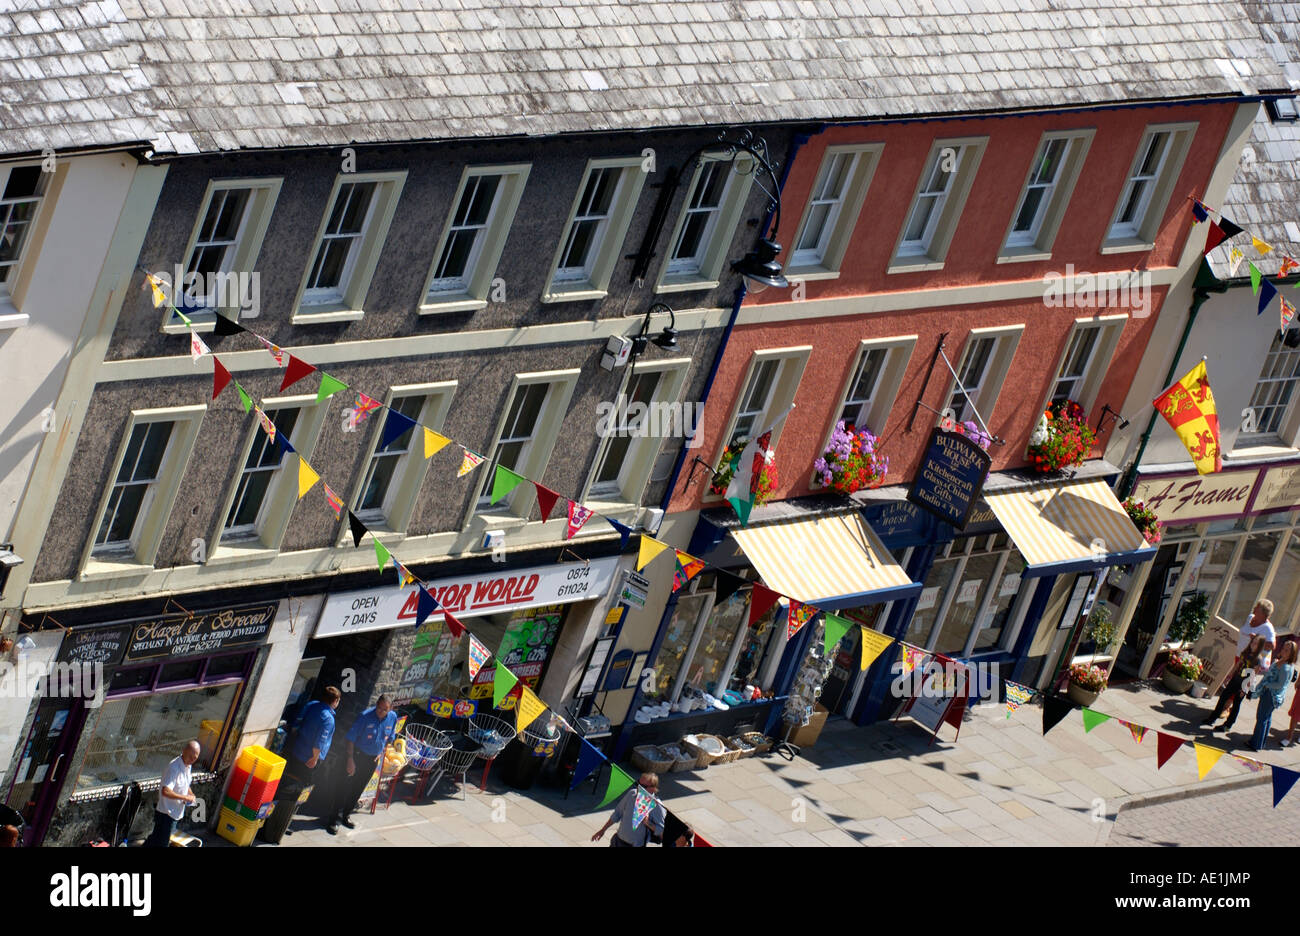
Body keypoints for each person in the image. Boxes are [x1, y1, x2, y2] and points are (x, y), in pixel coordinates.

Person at [325, 695, 397, 835]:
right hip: (357, 756)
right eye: (379, 708)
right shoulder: (365, 717)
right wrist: (350, 759)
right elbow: (350, 739)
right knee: (344, 787)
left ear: (390, 709)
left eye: (385, 710)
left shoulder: (392, 717)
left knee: (358, 788)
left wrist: (382, 751)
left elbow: (390, 737)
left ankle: (346, 815)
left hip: (372, 760)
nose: (381, 711)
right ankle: (333, 820)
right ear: (376, 704)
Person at [1203, 634, 1266, 733]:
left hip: (1243, 684)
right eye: (1253, 642)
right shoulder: (1246, 652)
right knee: (1223, 697)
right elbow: (1237, 665)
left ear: (1260, 646)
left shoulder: (1258, 659)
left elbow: (1253, 676)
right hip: (1235, 679)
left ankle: (1228, 725)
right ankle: (1212, 718)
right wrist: (1229, 676)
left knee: (1236, 704)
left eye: (1256, 644)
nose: (1253, 645)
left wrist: (1245, 689)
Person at [143, 740, 200, 847]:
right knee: (161, 843)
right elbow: (166, 791)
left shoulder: (187, 766)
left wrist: (191, 794)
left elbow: (185, 784)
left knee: (155, 839)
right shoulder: (174, 768)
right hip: (166, 813)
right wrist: (184, 797)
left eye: (195, 758)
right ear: (184, 751)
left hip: (175, 813)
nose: (192, 760)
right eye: (190, 756)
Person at [591, 772, 665, 847]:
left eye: (643, 786)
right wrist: (603, 830)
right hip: (617, 841)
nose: (638, 787)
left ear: (653, 788)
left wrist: (647, 823)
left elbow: (663, 832)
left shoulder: (656, 805)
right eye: (638, 783)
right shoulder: (632, 794)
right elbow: (617, 813)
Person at [286, 686, 341, 785]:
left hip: (296, 749)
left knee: (289, 778)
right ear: (335, 701)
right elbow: (320, 742)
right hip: (309, 758)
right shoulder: (328, 719)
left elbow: (297, 722)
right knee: (301, 785)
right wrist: (315, 758)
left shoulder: (312, 704)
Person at [1249, 640, 1297, 752]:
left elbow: (1280, 684)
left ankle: (1256, 743)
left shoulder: (1286, 667)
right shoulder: (1281, 662)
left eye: (1287, 650)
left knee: (1262, 718)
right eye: (1283, 648)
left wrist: (1266, 685)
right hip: (1270, 694)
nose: (1283, 651)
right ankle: (1260, 742)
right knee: (1266, 718)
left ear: (1292, 654)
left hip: (1271, 695)